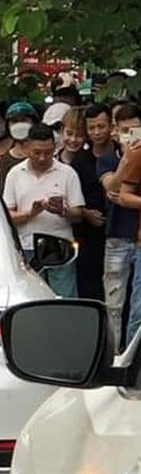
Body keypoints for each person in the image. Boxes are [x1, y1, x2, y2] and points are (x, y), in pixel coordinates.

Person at [3, 123, 85, 298]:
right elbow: (6, 217)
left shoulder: (67, 173)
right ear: (27, 148)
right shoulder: (15, 174)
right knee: (30, 298)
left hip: (60, 245)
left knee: (64, 297)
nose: (42, 158)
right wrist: (30, 213)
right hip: (27, 245)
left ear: (54, 148)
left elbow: (79, 214)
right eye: (36, 152)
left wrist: (62, 210)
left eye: (47, 152)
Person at [99, 103, 141, 350]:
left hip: (135, 235)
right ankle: (115, 357)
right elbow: (113, 189)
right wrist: (127, 158)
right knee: (115, 304)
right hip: (117, 236)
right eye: (125, 130)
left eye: (136, 130)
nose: (131, 136)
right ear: (115, 130)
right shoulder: (107, 159)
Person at [70, 104, 113, 300]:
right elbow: (72, 196)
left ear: (111, 126)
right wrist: (86, 213)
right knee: (89, 286)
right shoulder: (80, 160)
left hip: (118, 229)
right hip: (87, 232)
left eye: (101, 126)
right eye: (91, 128)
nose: (96, 132)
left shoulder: (122, 154)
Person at [2, 101, 41, 188]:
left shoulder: (44, 153)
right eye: (14, 121)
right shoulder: (7, 159)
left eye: (24, 120)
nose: (19, 125)